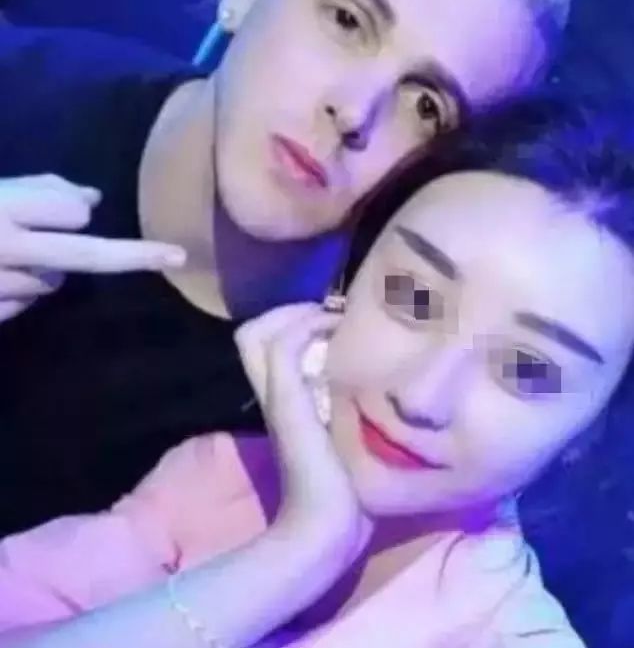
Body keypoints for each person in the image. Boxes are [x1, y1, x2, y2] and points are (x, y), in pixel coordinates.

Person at [0, 0, 573, 537]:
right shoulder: (21, 99)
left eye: (426, 106)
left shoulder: (357, 413)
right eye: (347, 20)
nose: (354, 111)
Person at [3, 94, 633, 647]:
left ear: (589, 429)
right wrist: (293, 554)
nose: (421, 396)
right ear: (344, 284)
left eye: (525, 369)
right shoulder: (220, 476)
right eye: (415, 298)